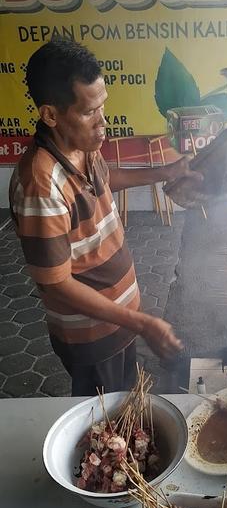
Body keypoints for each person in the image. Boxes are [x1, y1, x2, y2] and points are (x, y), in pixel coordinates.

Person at [9, 37, 199, 396]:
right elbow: (57, 284)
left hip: (118, 322)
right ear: (50, 114)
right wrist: (142, 323)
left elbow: (105, 179)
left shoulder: (82, 146)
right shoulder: (41, 185)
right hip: (92, 334)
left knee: (124, 399)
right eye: (88, 112)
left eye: (102, 108)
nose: (103, 123)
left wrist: (165, 173)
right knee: (106, 426)